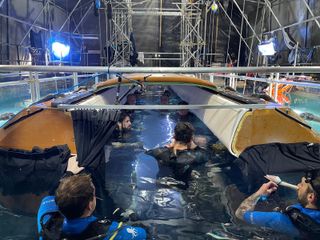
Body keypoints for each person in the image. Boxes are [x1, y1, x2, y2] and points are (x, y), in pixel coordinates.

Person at [37, 157, 147, 240]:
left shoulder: (47, 220)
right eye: (94, 194)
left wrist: (69, 173)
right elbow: (142, 233)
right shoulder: (110, 232)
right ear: (90, 205)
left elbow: (51, 195)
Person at [235, 172, 320, 238]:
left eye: (301, 184)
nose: (297, 185)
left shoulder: (278, 219)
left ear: (311, 197)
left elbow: (240, 214)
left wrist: (259, 193)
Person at [146, 122, 209, 187]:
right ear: (191, 138)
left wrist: (166, 147)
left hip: (162, 186)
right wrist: (195, 146)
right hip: (183, 187)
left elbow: (146, 153)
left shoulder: (159, 152)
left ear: (174, 136)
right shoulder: (198, 156)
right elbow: (205, 156)